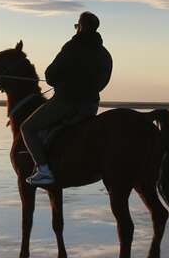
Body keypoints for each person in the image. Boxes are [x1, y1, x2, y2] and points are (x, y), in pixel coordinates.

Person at [22, 11, 113, 186]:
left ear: (81, 26)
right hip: (91, 105)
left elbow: (50, 75)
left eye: (77, 25)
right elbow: (104, 80)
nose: (76, 28)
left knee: (28, 128)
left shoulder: (72, 46)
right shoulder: (104, 53)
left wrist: (64, 84)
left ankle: (43, 170)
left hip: (66, 102)